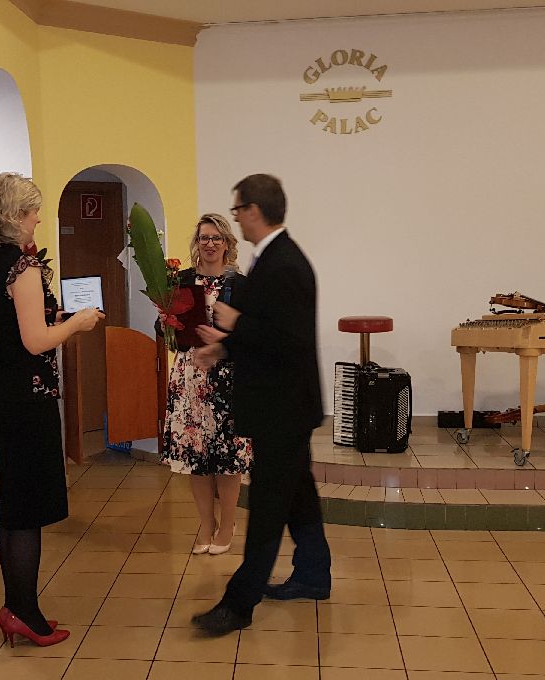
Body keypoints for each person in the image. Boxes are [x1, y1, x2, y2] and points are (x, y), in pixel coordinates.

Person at [190, 174, 331, 637]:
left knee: (268, 505)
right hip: (284, 404)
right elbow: (270, 331)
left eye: (237, 211)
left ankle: (238, 604)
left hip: (282, 408)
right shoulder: (271, 258)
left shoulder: (285, 264)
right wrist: (223, 347)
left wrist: (236, 323)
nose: (235, 219)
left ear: (254, 210)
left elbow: (289, 340)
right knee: (299, 493)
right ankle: (313, 574)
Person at [0, 172, 103, 648]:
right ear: (14, 215)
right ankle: (25, 612)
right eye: (33, 211)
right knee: (27, 508)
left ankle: (16, 606)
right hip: (28, 398)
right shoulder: (23, 267)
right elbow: (34, 341)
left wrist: (52, 321)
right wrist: (77, 324)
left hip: (1, 393)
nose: (38, 219)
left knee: (14, 502)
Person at [160, 214, 251, 555]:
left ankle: (227, 524)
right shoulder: (181, 281)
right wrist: (165, 322)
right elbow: (165, 333)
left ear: (227, 243)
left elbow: (251, 334)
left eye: (216, 238)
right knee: (196, 455)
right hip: (190, 376)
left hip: (228, 376)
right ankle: (205, 523)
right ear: (197, 244)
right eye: (204, 238)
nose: (210, 244)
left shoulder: (240, 285)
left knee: (227, 458)